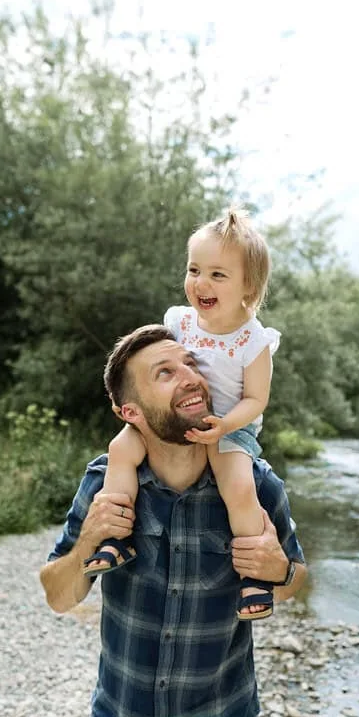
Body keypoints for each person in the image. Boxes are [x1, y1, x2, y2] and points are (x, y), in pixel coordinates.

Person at [40, 324, 306, 717]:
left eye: (190, 363)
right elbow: (60, 594)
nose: (189, 375)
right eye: (165, 372)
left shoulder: (254, 486)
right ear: (128, 410)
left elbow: (297, 583)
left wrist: (279, 570)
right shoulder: (106, 484)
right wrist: (88, 545)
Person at [83, 207, 281, 621]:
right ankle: (115, 536)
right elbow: (160, 363)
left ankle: (253, 576)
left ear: (248, 284)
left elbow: (256, 400)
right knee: (121, 448)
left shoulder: (254, 340)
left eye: (217, 275)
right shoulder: (180, 320)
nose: (200, 283)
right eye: (194, 270)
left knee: (239, 488)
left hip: (229, 425)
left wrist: (224, 425)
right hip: (176, 417)